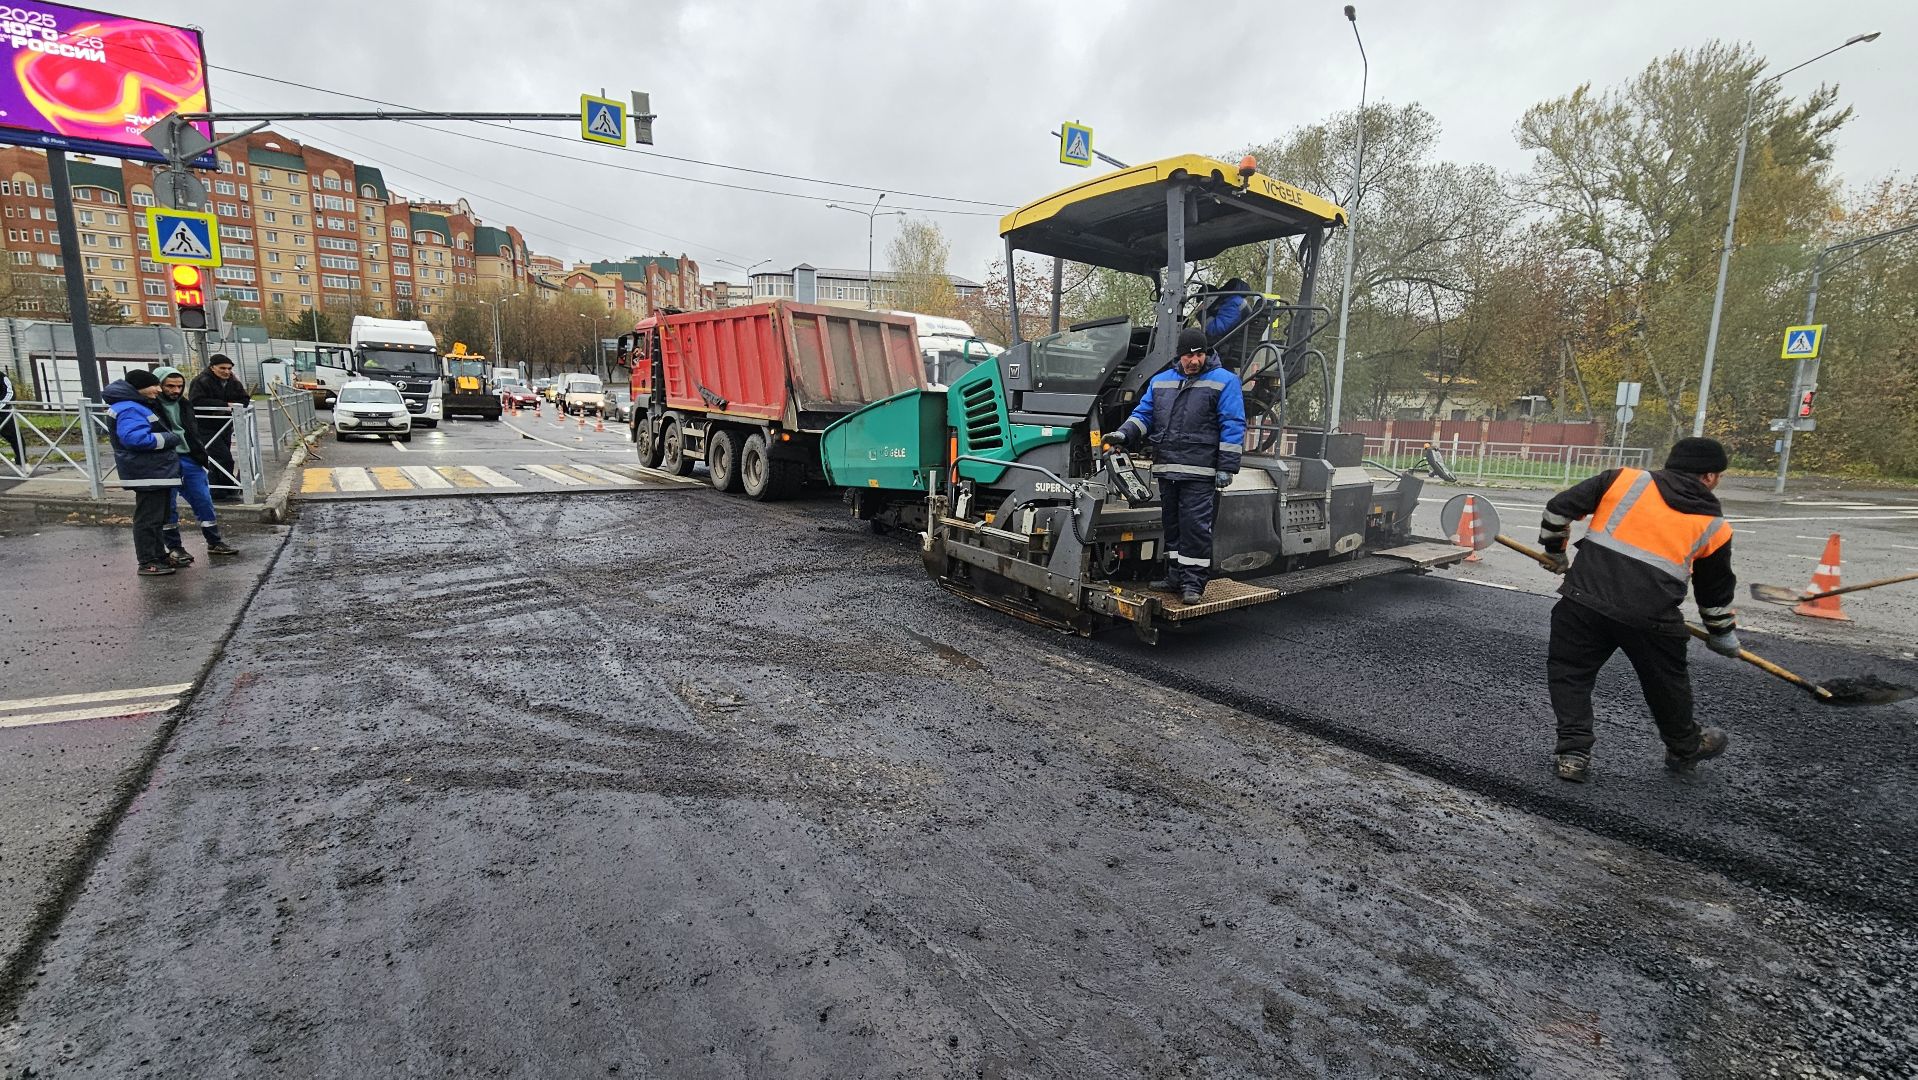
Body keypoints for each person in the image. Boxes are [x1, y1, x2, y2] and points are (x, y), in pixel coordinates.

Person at [1537, 436, 1739, 783]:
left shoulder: (1621, 480)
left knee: (1570, 672)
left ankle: (1573, 753)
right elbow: (1713, 593)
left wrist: (1555, 550)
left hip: (1584, 601)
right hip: (1651, 619)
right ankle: (1684, 747)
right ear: (1708, 477)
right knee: (1667, 684)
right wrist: (1722, 635)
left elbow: (1557, 510)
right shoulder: (1715, 526)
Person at [1103, 326, 1246, 606]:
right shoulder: (1161, 383)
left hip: (1200, 471)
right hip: (1168, 468)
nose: (1195, 361)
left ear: (1206, 354)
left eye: (1200, 355)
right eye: (1189, 356)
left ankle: (1193, 584)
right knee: (1172, 526)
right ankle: (1174, 577)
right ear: (1179, 356)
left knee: (1194, 529)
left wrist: (1227, 466)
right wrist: (1123, 434)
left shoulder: (1225, 381)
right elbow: (1144, 415)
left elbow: (1233, 424)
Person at [152, 366, 240, 564]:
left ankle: (215, 541)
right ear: (159, 385)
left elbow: (191, 430)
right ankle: (174, 547)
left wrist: (198, 454)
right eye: (170, 386)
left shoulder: (184, 404)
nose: (175, 390)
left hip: (189, 458)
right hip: (163, 460)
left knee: (203, 499)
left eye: (179, 386)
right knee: (168, 505)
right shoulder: (150, 406)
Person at [103, 369, 184, 577]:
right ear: (140, 388)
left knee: (157, 517)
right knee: (148, 519)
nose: (159, 389)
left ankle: (158, 555)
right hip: (148, 472)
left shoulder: (133, 405)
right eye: (154, 385)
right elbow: (134, 439)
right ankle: (148, 561)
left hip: (155, 471)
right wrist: (170, 439)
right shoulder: (130, 408)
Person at [187, 354, 250, 502]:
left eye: (229, 368)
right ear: (212, 367)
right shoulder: (202, 381)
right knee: (222, 458)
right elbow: (196, 401)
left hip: (225, 425)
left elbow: (244, 399)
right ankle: (224, 488)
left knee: (218, 458)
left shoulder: (233, 382)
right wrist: (224, 405)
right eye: (222, 368)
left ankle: (221, 490)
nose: (226, 371)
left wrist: (235, 406)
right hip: (205, 426)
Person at [0, 365, 24, 469]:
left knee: (15, 437)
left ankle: (22, 462)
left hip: (3, 413)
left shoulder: (1, 377)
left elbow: (9, 392)